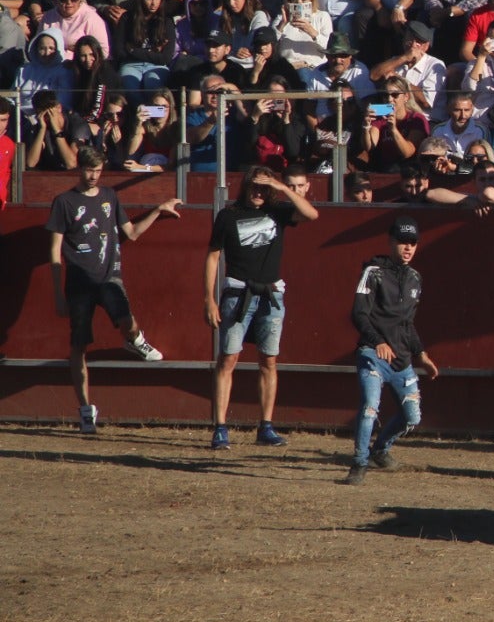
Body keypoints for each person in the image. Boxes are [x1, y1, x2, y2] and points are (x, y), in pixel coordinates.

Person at [47, 148, 180, 434]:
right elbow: (55, 252)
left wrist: (157, 210)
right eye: (88, 170)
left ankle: (135, 340)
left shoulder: (110, 196)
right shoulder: (64, 202)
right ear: (79, 169)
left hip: (109, 277)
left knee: (128, 322)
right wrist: (58, 294)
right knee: (79, 346)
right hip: (78, 284)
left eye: (97, 170)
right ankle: (85, 409)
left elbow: (130, 233)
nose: (93, 176)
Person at [203, 165, 319, 450]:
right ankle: (220, 427)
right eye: (254, 186)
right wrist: (209, 297)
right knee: (228, 360)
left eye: (263, 188)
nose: (258, 193)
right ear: (244, 186)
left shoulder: (277, 211)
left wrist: (281, 188)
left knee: (269, 360)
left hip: (271, 295)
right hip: (237, 293)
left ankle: (265, 425)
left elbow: (311, 214)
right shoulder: (228, 216)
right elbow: (213, 257)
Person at [342, 216, 442, 484]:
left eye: (413, 243)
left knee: (412, 416)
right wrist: (378, 342)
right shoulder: (373, 272)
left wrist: (422, 355)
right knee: (369, 408)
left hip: (401, 359)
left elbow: (407, 324)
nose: (408, 248)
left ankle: (379, 451)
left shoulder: (415, 279)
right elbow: (359, 315)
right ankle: (359, 463)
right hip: (372, 355)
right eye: (403, 242)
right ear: (390, 242)